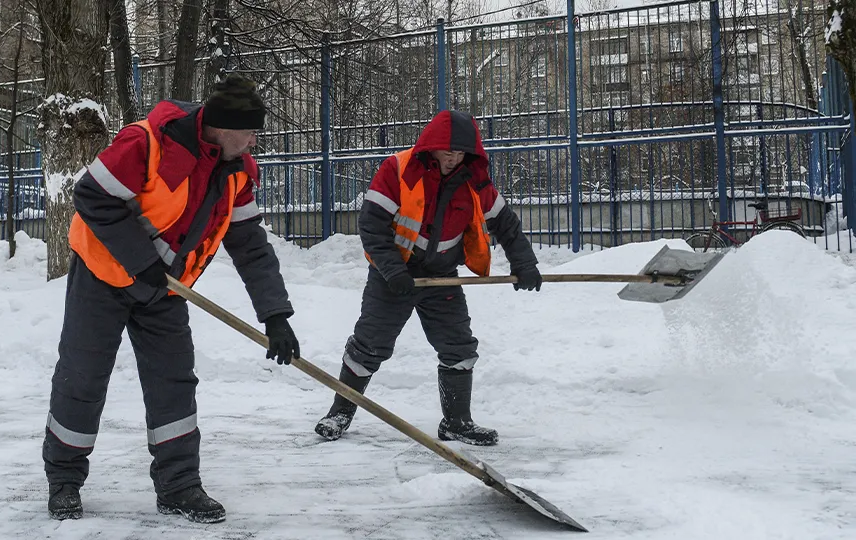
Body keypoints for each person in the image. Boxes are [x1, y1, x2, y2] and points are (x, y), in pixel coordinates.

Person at [43, 74, 301, 524]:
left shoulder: (238, 170)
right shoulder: (146, 143)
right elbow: (91, 196)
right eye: (252, 130)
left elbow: (250, 244)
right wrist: (141, 261)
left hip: (164, 290)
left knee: (173, 383)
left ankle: (179, 486)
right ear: (224, 127)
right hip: (102, 276)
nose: (256, 139)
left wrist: (275, 314)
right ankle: (64, 480)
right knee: (82, 378)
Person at [314, 110, 542, 447]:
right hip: (393, 275)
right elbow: (372, 225)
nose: (453, 159)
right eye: (447, 152)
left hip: (441, 277)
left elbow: (506, 225)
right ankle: (340, 412)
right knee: (369, 345)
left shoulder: (475, 182)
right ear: (431, 147)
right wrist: (393, 270)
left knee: (459, 347)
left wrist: (525, 264)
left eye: (460, 153)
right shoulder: (398, 169)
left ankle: (456, 422)